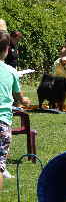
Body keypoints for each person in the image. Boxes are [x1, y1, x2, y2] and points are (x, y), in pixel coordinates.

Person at [0, 32, 30, 180]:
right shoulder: (11, 72)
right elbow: (19, 97)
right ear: (6, 50)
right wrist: (25, 101)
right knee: (2, 149)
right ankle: (2, 169)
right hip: (3, 119)